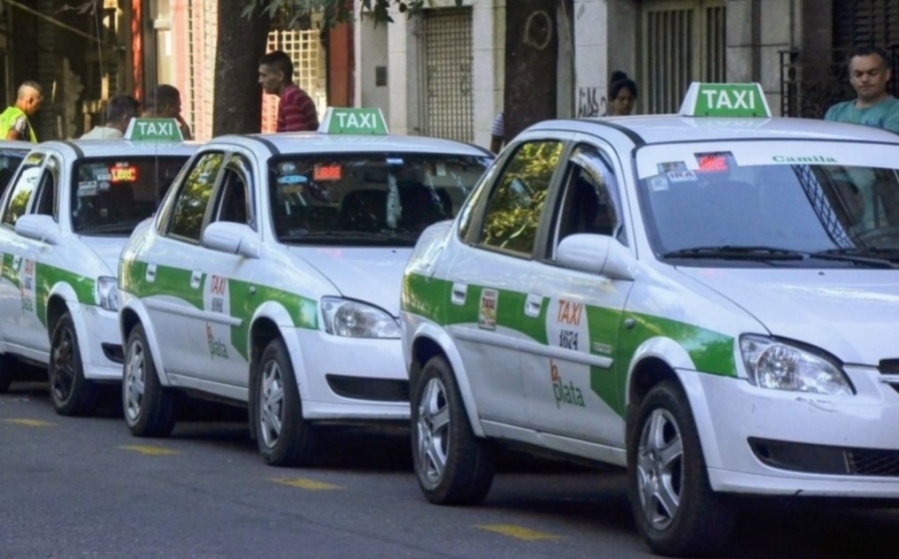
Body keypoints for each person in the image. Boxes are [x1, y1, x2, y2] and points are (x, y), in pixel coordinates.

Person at [825, 46, 899, 133]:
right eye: (858, 74)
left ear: (887, 74)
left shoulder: (895, 110)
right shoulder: (835, 112)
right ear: (851, 78)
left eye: (873, 73)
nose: (865, 79)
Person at [259, 50, 319, 132]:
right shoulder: (292, 95)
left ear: (280, 76)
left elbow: (296, 139)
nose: (260, 80)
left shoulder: (290, 98)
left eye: (264, 75)